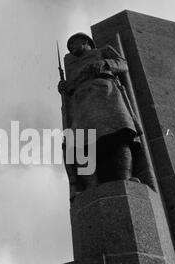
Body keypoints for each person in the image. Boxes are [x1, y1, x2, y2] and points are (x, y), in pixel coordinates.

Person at [58, 33, 142, 200]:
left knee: (119, 136)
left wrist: (105, 63)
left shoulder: (103, 51)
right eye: (70, 46)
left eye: (74, 44)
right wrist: (64, 86)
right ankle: (91, 186)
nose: (71, 48)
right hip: (81, 101)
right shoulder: (72, 67)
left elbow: (123, 64)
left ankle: (125, 177)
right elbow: (70, 89)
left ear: (85, 42)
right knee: (81, 144)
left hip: (106, 93)